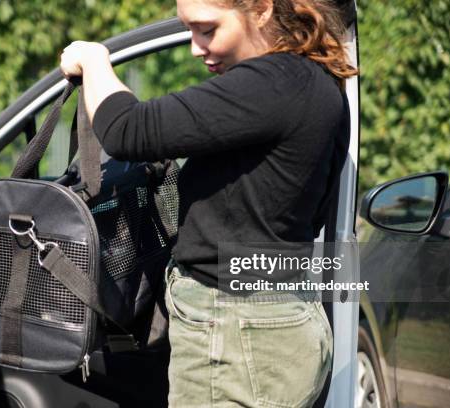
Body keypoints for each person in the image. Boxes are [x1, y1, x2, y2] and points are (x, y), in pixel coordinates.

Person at [60, 0, 357, 406]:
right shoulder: (312, 79)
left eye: (207, 29)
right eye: (190, 30)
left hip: (236, 333)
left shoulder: (271, 83)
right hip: (273, 321)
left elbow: (129, 131)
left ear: (263, 10)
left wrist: (94, 61)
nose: (195, 48)